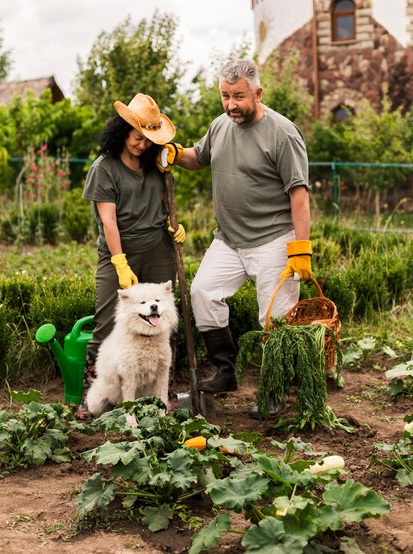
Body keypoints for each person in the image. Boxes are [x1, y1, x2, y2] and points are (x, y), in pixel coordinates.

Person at [157, 58, 312, 418]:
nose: (231, 105)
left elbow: (299, 193)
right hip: (228, 239)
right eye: (225, 96)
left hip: (273, 238)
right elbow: (200, 157)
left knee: (275, 319)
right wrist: (177, 154)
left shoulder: (283, 133)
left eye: (239, 96)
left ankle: (274, 393)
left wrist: (300, 249)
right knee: (203, 292)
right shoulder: (220, 126)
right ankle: (226, 371)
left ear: (258, 93)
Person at [77, 93, 185, 419]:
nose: (141, 144)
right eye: (137, 137)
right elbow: (108, 221)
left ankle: (163, 392)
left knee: (162, 318)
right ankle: (91, 395)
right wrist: (119, 261)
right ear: (123, 131)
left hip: (157, 248)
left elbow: (164, 203)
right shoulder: (104, 169)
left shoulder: (156, 166)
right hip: (117, 251)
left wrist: (173, 226)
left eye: (147, 139)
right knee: (106, 321)